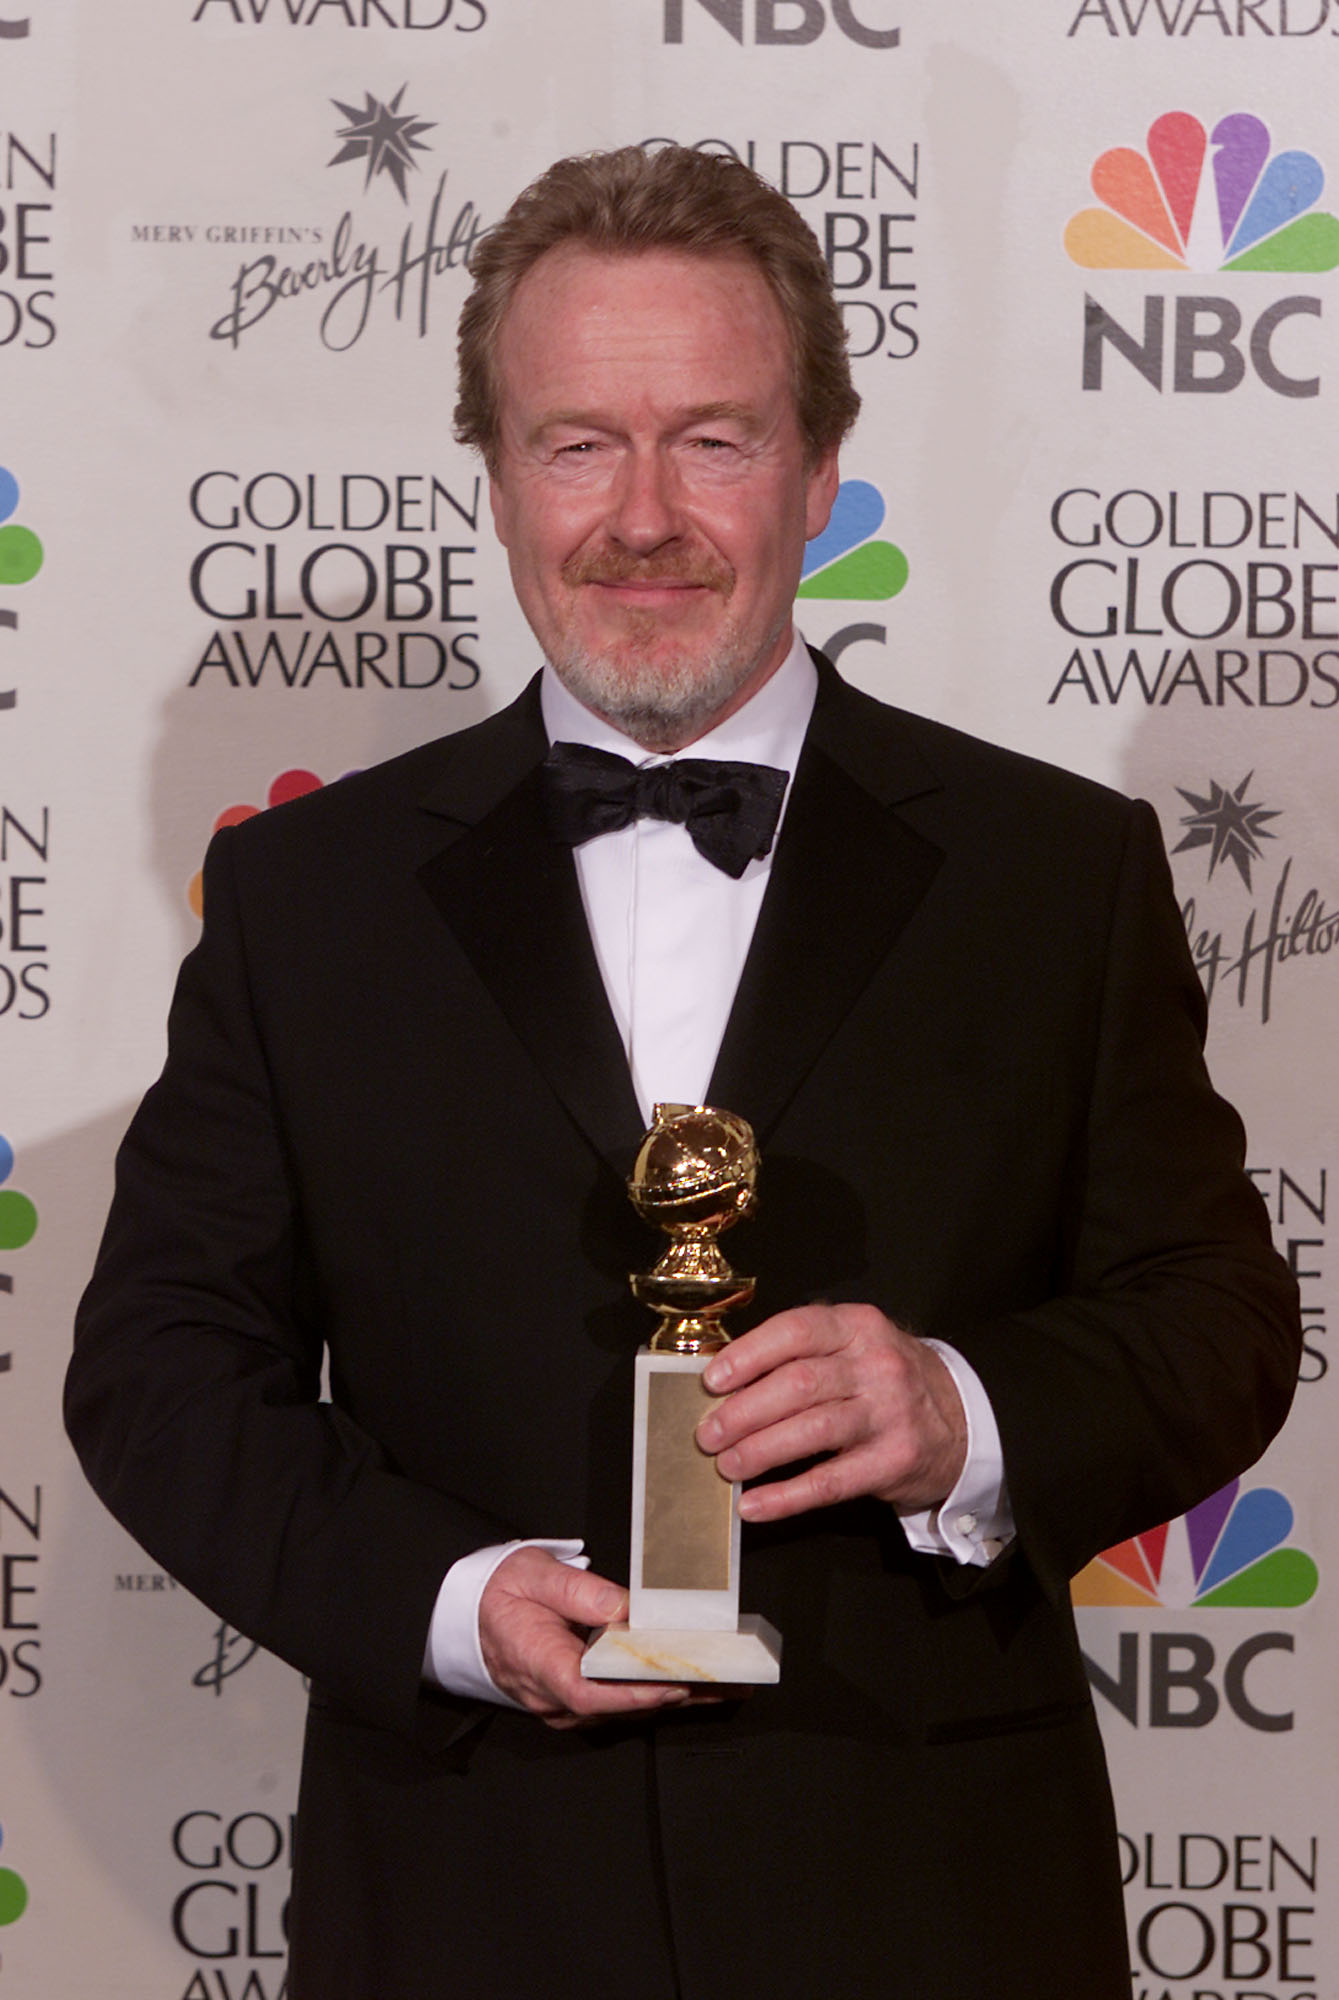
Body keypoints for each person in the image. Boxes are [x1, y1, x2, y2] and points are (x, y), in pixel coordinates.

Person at [67, 146, 1300, 1999]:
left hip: (934, 1898)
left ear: (818, 468)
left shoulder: (1058, 877)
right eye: (577, 444)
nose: (642, 516)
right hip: (464, 1898)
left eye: (712, 440)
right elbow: (159, 1371)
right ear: (493, 476)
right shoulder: (304, 901)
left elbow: (1217, 1319)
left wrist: (964, 1409)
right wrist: (454, 1605)